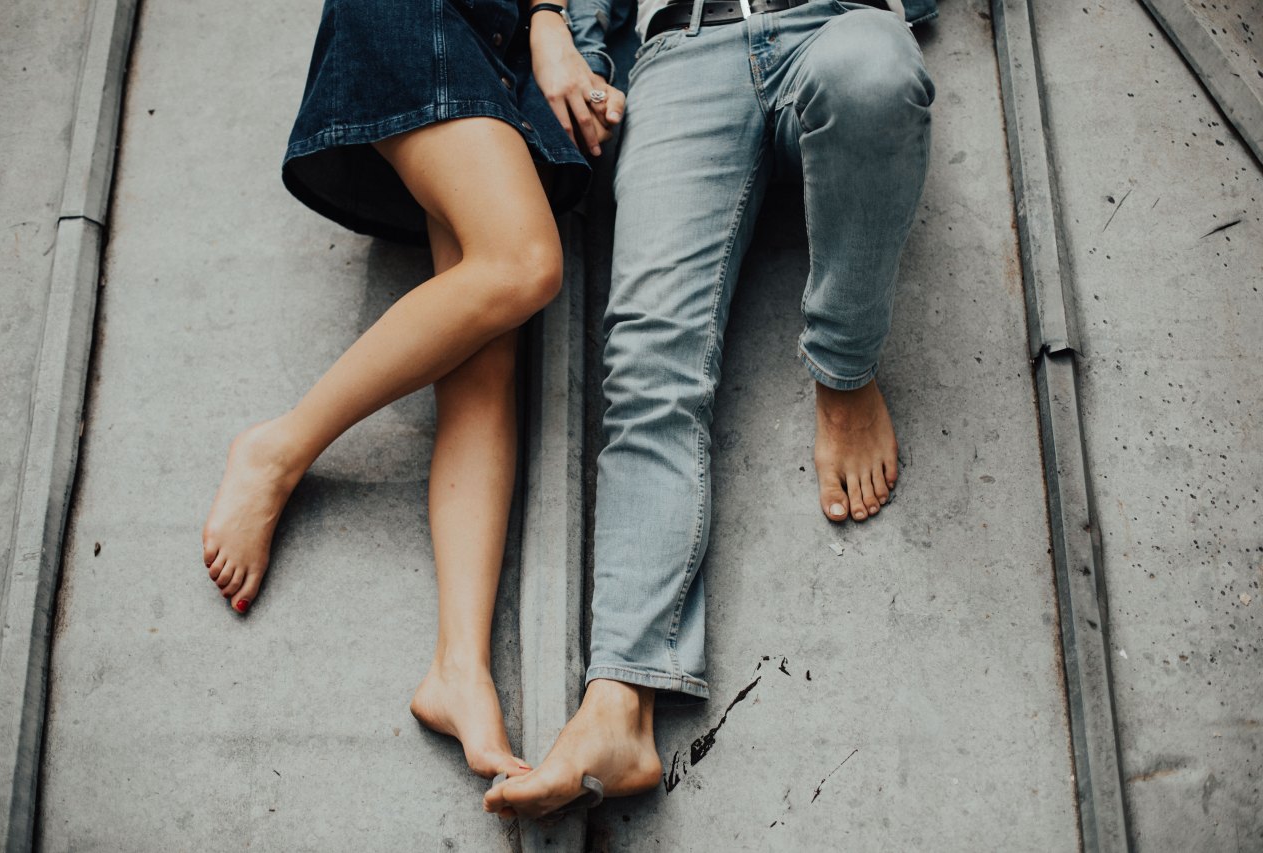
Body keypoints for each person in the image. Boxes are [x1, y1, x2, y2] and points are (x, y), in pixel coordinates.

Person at [485, 0, 937, 818]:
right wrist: (554, 25)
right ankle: (618, 703)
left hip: (836, 23)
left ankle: (844, 371)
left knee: (874, 73)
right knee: (646, 357)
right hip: (682, 51)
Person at [201, 0, 625, 781]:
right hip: (432, 13)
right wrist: (549, 20)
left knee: (483, 367)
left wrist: (564, 39)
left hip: (501, 49)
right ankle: (278, 448)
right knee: (525, 262)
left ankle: (458, 668)